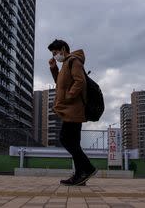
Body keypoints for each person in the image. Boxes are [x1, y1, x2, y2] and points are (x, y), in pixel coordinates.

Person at [48, 39, 97, 186]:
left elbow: (79, 81)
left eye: (55, 53)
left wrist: (68, 97)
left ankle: (88, 168)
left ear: (63, 49)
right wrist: (53, 68)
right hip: (70, 109)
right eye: (53, 54)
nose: (54, 55)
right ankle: (80, 175)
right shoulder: (64, 64)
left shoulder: (73, 61)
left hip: (73, 110)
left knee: (65, 139)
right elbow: (60, 84)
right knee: (73, 143)